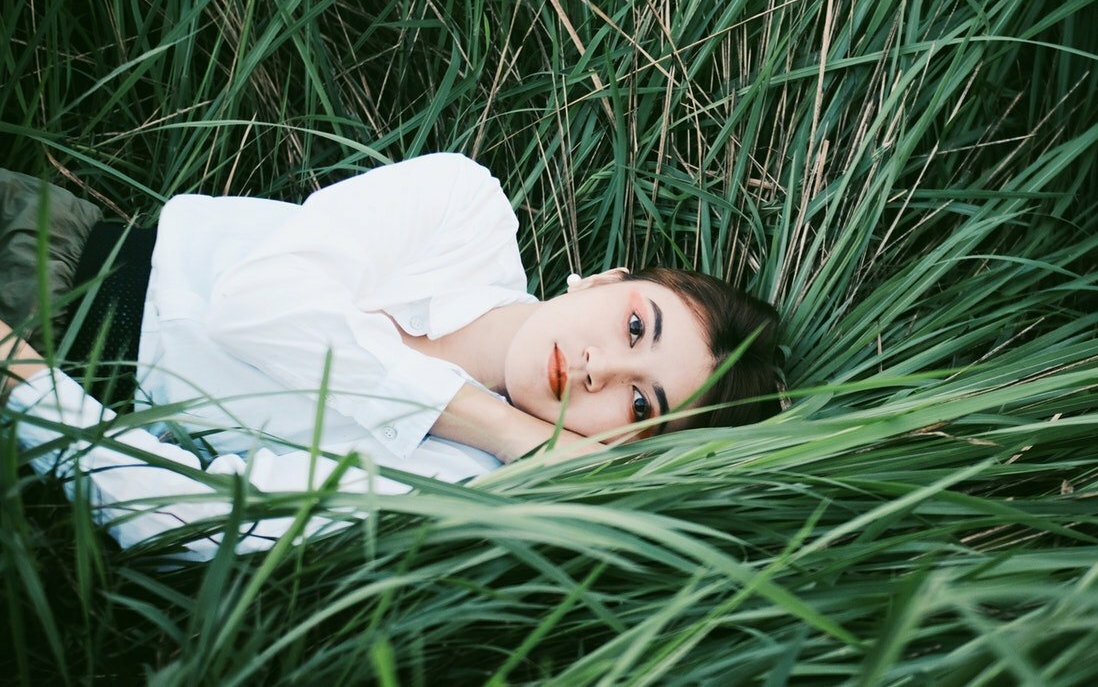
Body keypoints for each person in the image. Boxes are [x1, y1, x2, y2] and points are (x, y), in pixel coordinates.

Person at [0, 155, 782, 559]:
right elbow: (254, 304)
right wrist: (499, 424)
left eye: (641, 405)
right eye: (635, 326)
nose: (599, 369)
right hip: (49, 244)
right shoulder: (466, 212)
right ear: (610, 278)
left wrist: (20, 377)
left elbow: (187, 520)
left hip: (46, 396)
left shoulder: (455, 484)